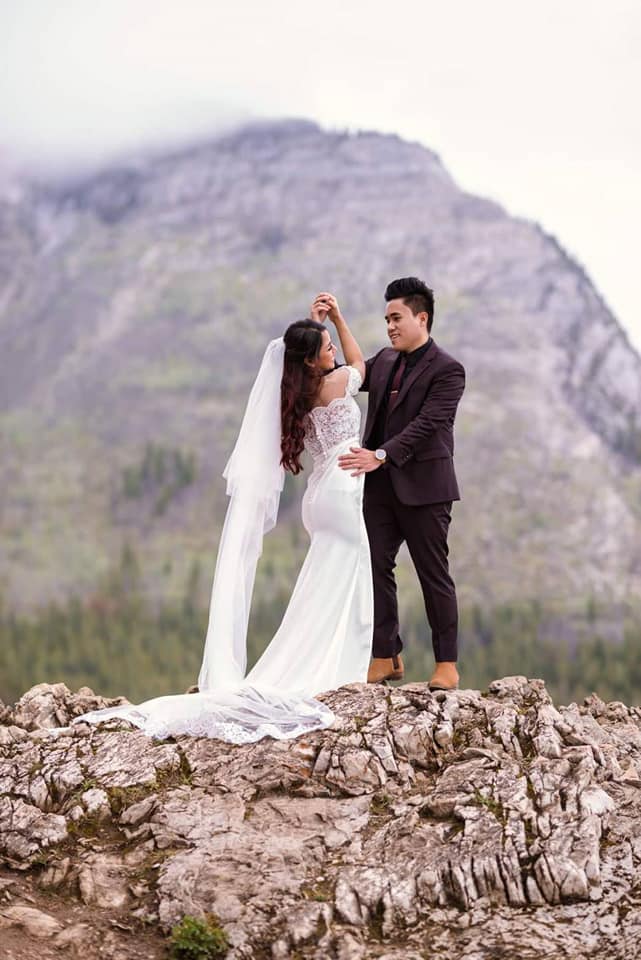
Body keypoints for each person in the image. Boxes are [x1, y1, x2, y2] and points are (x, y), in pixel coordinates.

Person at [72, 304, 373, 742]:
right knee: (349, 577)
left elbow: (321, 361)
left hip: (318, 497)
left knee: (320, 583)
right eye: (326, 348)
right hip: (343, 489)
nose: (335, 353)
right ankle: (338, 668)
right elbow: (361, 362)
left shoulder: (298, 398)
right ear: (312, 360)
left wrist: (315, 334)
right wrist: (339, 321)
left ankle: (310, 663)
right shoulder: (339, 382)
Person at [335, 277, 465, 691]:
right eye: (387, 320)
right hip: (379, 489)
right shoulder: (386, 360)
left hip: (427, 490)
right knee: (374, 567)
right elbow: (352, 373)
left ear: (421, 318)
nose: (390, 326)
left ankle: (446, 664)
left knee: (433, 575)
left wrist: (380, 455)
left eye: (396, 318)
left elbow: (428, 425)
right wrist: (335, 321)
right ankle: (385, 655)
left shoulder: (448, 370)